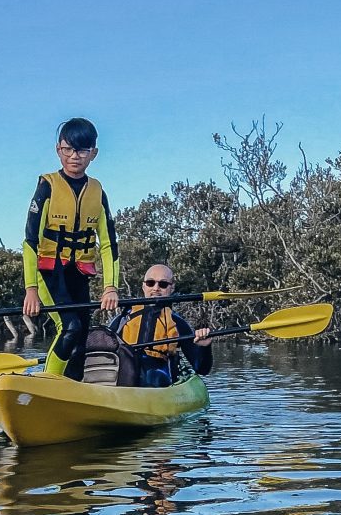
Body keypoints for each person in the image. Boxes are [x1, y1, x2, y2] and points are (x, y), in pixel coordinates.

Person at [21, 118, 120, 379]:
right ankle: (49, 383)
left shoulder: (97, 191)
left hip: (79, 273)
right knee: (69, 327)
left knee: (82, 335)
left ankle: (75, 390)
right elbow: (30, 240)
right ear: (58, 150)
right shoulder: (47, 186)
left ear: (93, 154)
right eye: (68, 149)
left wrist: (110, 287)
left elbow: (109, 244)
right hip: (49, 273)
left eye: (82, 150)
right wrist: (31, 290)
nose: (74, 157)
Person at [114, 264, 214, 387]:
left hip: (159, 382)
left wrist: (205, 347)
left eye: (163, 284)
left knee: (154, 376)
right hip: (124, 378)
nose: (156, 288)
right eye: (151, 283)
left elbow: (202, 369)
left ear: (172, 288)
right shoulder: (123, 319)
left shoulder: (178, 324)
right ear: (143, 286)